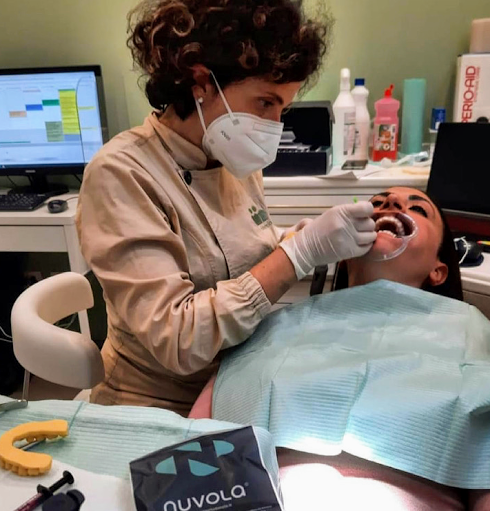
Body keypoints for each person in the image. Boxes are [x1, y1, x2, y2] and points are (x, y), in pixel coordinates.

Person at [76, 0, 377, 415]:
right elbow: (178, 339)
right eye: (265, 103)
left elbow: (233, 254)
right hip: (155, 405)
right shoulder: (121, 173)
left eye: (283, 109)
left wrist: (293, 240)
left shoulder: (228, 155)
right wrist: (297, 255)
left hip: (235, 380)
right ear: (201, 81)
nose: (275, 126)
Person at [191, 187, 490, 510]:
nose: (390, 204)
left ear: (438, 270)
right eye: (377, 203)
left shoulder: (470, 333)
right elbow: (196, 445)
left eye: (418, 209)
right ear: (344, 251)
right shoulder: (276, 325)